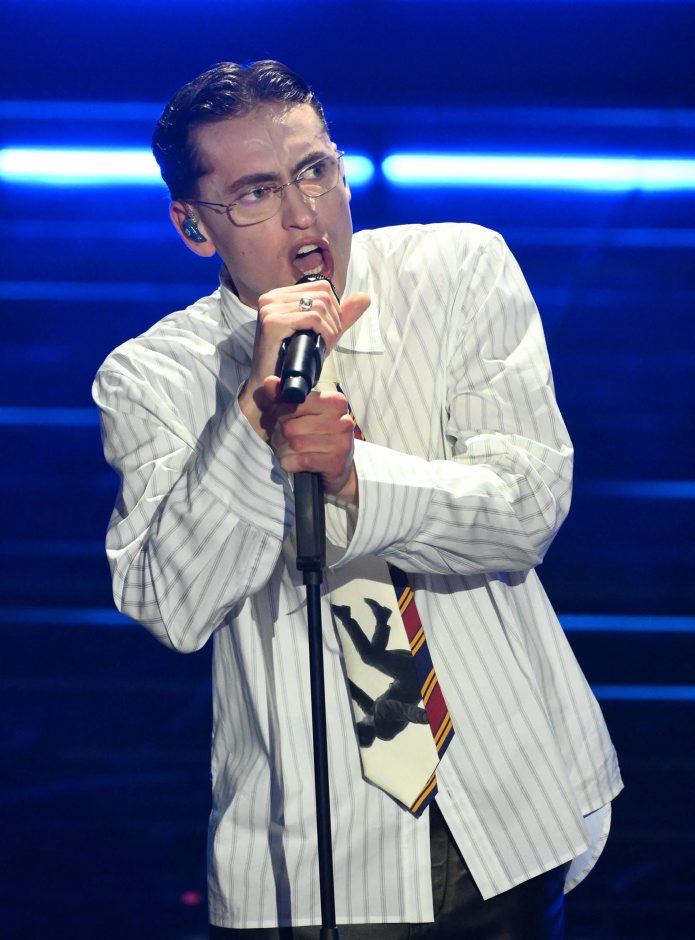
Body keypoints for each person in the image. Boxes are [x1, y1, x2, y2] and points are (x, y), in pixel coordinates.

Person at [92, 60, 623, 938]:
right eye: (256, 192)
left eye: (314, 171)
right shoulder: (150, 378)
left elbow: (527, 507)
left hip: (508, 818)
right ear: (192, 226)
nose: (303, 214)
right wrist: (250, 416)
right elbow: (170, 606)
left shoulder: (456, 270)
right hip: (306, 866)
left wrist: (354, 479)